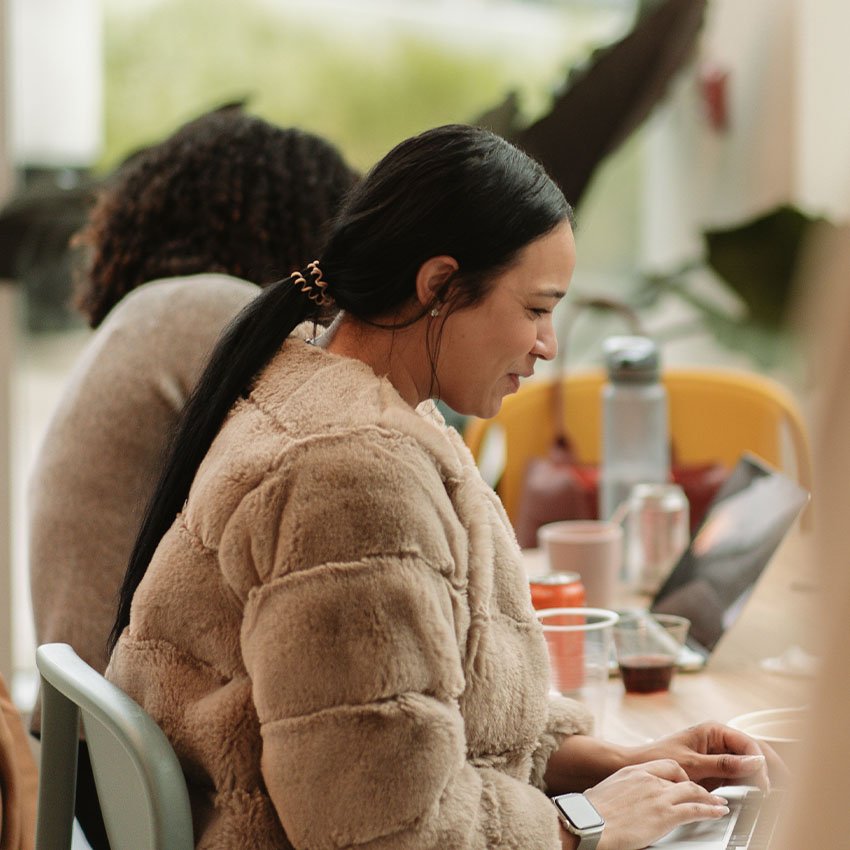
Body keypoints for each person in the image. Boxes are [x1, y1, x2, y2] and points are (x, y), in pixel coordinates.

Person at [106, 124, 778, 850]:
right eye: (536, 308)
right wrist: (586, 825)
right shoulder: (351, 475)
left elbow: (419, 712)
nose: (549, 344)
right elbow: (379, 830)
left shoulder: (333, 402)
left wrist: (615, 763)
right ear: (439, 286)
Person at [27, 105, 358, 850]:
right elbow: (362, 440)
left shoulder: (149, 317)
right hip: (162, 786)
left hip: (102, 772)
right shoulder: (216, 312)